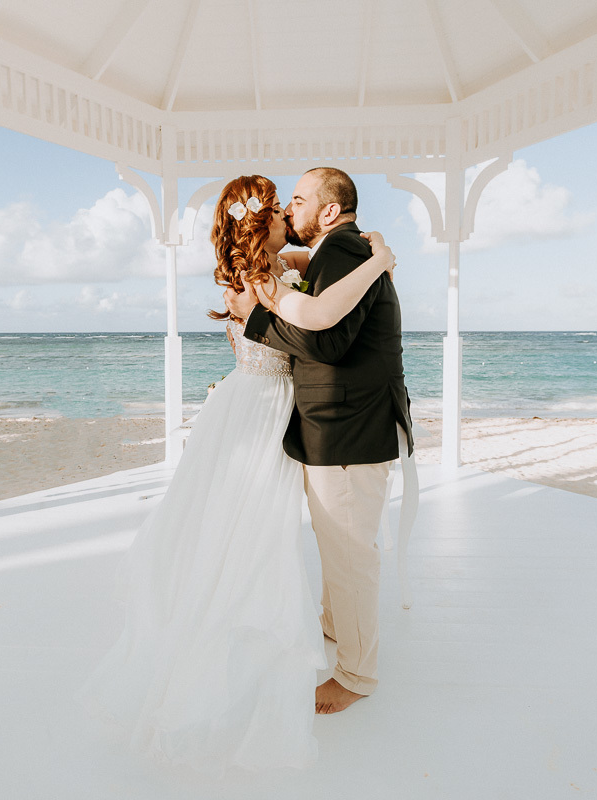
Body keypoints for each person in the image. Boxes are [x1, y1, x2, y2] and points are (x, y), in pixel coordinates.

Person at [79, 174, 396, 774]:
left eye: (291, 203)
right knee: (255, 535)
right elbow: (321, 316)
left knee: (265, 530)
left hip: (260, 407)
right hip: (263, 410)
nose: (285, 212)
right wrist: (379, 258)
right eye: (278, 208)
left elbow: (312, 258)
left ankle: (333, 633)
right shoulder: (263, 282)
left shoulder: (273, 264)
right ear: (261, 224)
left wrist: (334, 249)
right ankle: (261, 631)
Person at [225, 166, 414, 716]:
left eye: (300, 200)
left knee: (351, 552)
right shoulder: (342, 252)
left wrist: (257, 318)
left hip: (349, 428)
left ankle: (356, 675)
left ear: (328, 212)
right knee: (338, 541)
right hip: (338, 426)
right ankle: (337, 623)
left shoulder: (345, 253)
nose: (289, 210)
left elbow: (327, 344)